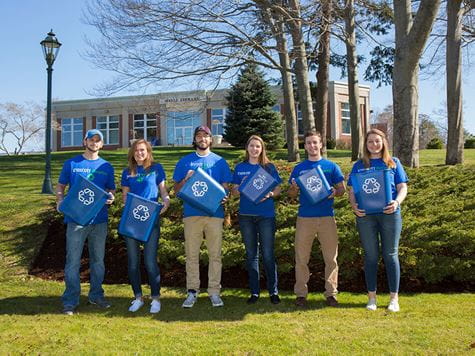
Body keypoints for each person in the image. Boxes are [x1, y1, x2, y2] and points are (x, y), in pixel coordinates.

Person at [56, 129, 116, 315]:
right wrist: (59, 201)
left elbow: (111, 190)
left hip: (99, 220)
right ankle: (70, 300)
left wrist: (111, 198)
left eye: (98, 140)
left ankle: (96, 295)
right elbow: (60, 186)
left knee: (98, 261)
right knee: (73, 261)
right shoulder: (72, 163)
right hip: (76, 220)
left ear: (102, 144)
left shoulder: (106, 166)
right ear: (85, 141)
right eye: (91, 139)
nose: (94, 143)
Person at [348, 128, 408, 312]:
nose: (374, 145)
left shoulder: (393, 163)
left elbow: (402, 186)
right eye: (370, 142)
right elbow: (352, 191)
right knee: (371, 256)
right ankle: (372, 297)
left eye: (377, 141)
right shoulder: (359, 165)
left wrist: (397, 202)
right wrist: (354, 207)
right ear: (365, 145)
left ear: (383, 143)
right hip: (366, 217)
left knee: (390, 255)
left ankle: (393, 299)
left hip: (390, 214)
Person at [173, 125, 232, 308]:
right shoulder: (185, 162)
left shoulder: (220, 162)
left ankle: (214, 292)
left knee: (215, 255)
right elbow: (176, 191)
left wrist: (225, 195)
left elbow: (226, 188)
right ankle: (192, 292)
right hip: (192, 215)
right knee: (191, 255)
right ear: (195, 140)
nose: (202, 139)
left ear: (210, 139)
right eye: (199, 136)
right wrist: (185, 179)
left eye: (205, 136)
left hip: (214, 215)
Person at [288, 130, 346, 307]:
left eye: (315, 142)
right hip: (305, 218)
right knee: (301, 258)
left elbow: (342, 190)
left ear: (321, 144)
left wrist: (335, 192)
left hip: (327, 218)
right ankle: (301, 294)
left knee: (331, 258)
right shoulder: (299, 169)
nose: (312, 146)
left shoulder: (331, 167)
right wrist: (294, 188)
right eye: (308, 143)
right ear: (304, 146)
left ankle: (331, 294)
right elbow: (291, 195)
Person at [121, 139, 170, 314]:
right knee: (133, 263)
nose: (139, 153)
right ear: (132, 154)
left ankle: (155, 298)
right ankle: (138, 297)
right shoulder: (127, 172)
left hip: (151, 221)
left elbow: (163, 191)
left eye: (142, 150)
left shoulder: (157, 169)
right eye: (136, 151)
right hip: (132, 222)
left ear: (148, 151)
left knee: (150, 261)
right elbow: (125, 198)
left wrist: (166, 201)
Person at [231, 135, 282, 305]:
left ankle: (273, 291)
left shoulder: (268, 167)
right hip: (246, 215)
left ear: (262, 149)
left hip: (266, 216)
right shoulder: (240, 168)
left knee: (268, 254)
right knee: (251, 255)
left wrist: (270, 194)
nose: (254, 149)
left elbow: (278, 189)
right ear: (247, 148)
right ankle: (254, 292)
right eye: (252, 146)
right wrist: (241, 185)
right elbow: (234, 192)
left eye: (257, 146)